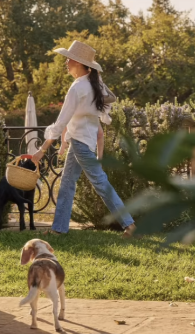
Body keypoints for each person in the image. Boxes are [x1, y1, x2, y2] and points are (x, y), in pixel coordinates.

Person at [32, 40, 136, 237]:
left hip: (80, 144)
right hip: (81, 142)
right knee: (67, 184)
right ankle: (59, 229)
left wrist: (42, 150)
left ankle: (129, 225)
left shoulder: (78, 87)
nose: (66, 63)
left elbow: (61, 122)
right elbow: (97, 120)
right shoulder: (95, 85)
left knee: (101, 184)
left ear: (79, 63)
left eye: (69, 60)